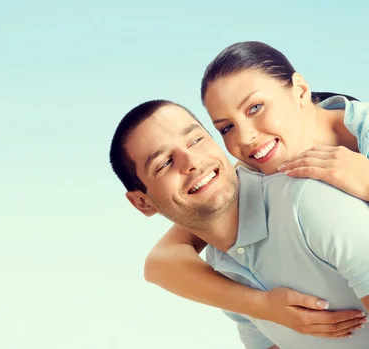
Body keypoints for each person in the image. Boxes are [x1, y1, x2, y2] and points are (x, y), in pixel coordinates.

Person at [143, 41, 369, 338]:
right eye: (226, 128)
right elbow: (161, 262)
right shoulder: (252, 171)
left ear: (300, 90)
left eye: (255, 108)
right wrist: (263, 306)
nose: (246, 137)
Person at [109, 98, 369, 348]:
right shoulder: (222, 272)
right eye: (165, 163)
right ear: (143, 203)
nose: (192, 163)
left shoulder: (310, 203)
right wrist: (261, 305)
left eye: (196, 140)